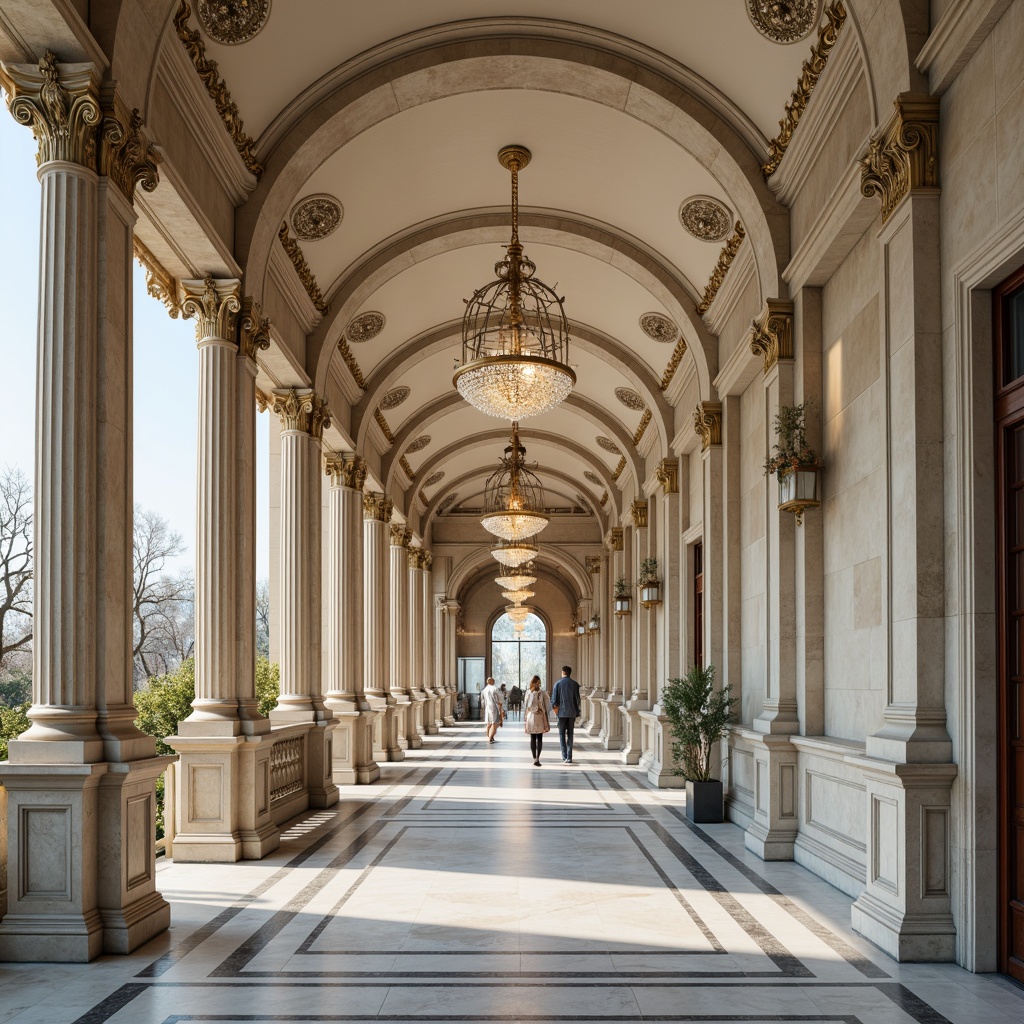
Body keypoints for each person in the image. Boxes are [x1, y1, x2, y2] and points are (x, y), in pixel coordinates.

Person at [550, 665, 582, 763]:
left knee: (562, 734)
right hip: (571, 713)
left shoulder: (557, 684)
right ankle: (569, 756)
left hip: (561, 713)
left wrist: (556, 712)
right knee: (571, 734)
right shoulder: (575, 684)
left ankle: (564, 756)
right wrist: (576, 711)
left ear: (563, 672)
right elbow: (578, 700)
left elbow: (554, 701)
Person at [523, 675, 551, 766]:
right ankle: (537, 758)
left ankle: (534, 757)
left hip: (531, 716)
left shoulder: (528, 692)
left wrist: (525, 717)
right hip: (539, 716)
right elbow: (547, 704)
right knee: (539, 738)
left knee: (532, 738)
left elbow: (526, 706)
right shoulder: (542, 692)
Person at [481, 676, 503, 743]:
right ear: (492, 682)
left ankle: (490, 736)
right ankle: (491, 737)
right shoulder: (495, 688)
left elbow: (482, 701)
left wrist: (484, 707)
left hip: (487, 707)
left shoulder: (484, 690)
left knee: (489, 723)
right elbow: (500, 697)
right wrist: (501, 704)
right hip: (494, 706)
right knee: (494, 723)